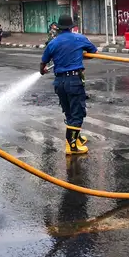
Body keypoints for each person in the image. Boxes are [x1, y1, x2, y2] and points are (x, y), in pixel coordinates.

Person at [39, 14, 98, 155]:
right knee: (77, 113)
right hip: (73, 80)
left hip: (59, 82)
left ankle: (76, 139)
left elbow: (43, 63)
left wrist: (43, 70)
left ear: (59, 27)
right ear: (71, 27)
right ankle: (72, 146)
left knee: (69, 111)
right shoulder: (79, 38)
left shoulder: (53, 42)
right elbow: (93, 51)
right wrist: (78, 54)